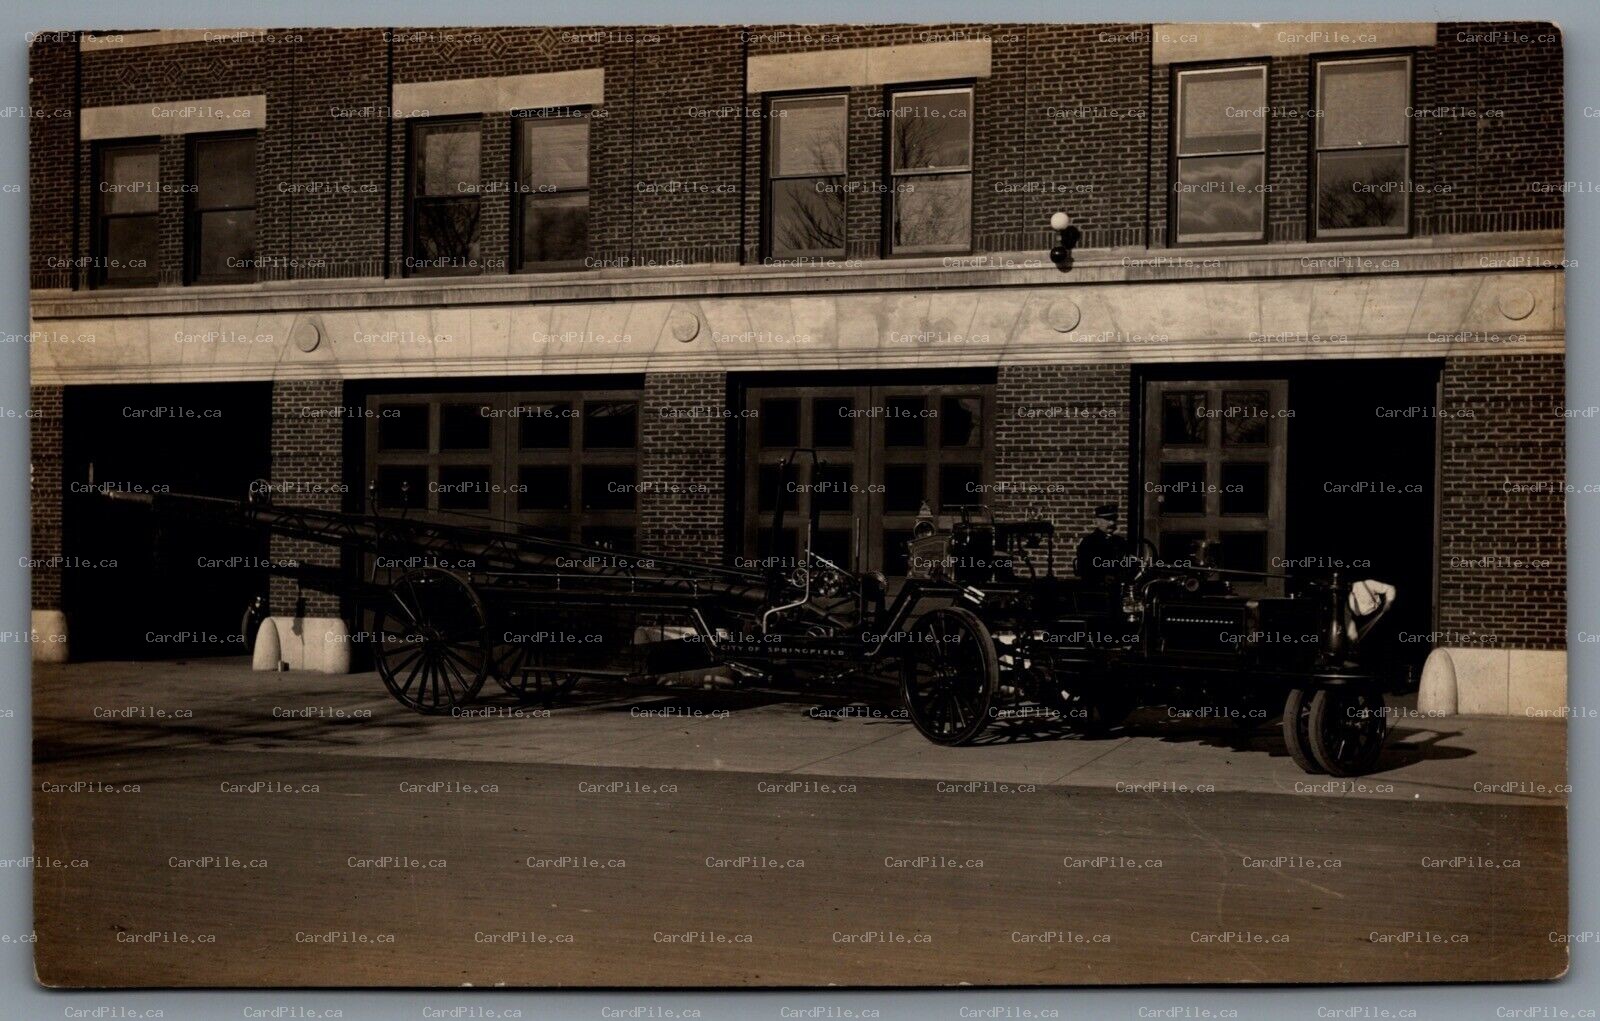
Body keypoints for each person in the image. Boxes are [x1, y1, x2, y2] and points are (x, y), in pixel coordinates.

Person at [1074, 503, 1133, 584]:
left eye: (1114, 519)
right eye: (1108, 519)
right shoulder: (1088, 542)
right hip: (1097, 589)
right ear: (1097, 522)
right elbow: (1083, 568)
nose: (1112, 523)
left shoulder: (1120, 542)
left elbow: (1127, 565)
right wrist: (1101, 577)